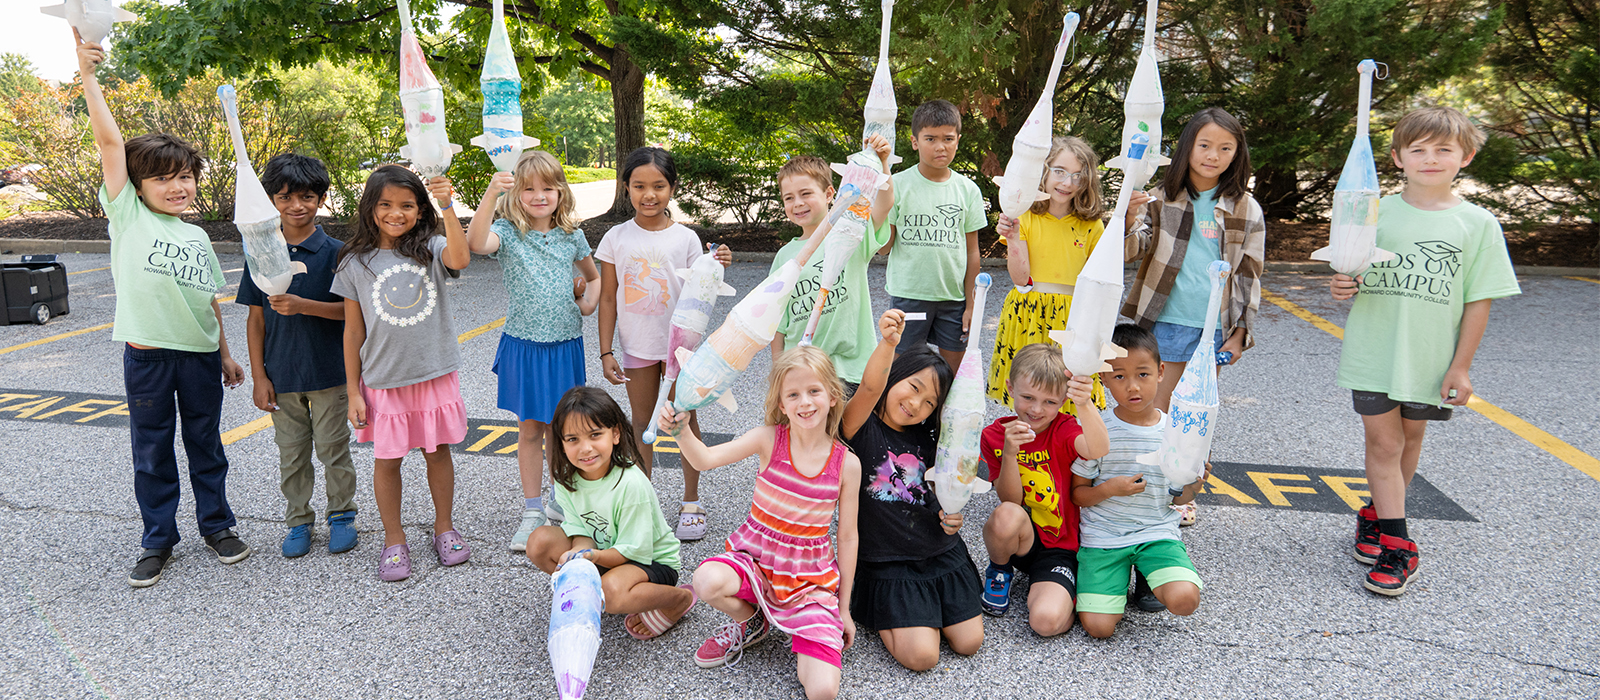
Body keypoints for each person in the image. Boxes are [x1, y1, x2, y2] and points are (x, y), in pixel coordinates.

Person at [76, 31, 251, 587]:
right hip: (148, 357)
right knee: (152, 453)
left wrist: (224, 354)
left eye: (185, 176)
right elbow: (109, 145)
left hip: (199, 357)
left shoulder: (197, 237)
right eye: (163, 178)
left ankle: (217, 525)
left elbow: (209, 302)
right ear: (137, 186)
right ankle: (158, 539)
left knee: (207, 445)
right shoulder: (127, 215)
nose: (177, 186)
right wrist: (88, 76)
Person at [1330, 106, 1519, 597]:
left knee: (1410, 442)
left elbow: (1479, 300)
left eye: (1443, 150)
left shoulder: (1477, 224)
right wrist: (1343, 284)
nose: (1430, 159)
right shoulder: (1375, 212)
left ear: (1466, 156)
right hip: (1374, 349)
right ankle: (1399, 544)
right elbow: (1351, 267)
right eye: (1418, 150)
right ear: (1397, 158)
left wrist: (1461, 366)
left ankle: (1375, 513)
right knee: (1385, 445)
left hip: (1430, 357)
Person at [661, 347, 860, 700]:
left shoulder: (847, 465)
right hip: (756, 562)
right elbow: (705, 459)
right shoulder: (768, 439)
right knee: (707, 580)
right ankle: (754, 620)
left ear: (832, 395)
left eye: (814, 391)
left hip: (809, 583)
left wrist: (844, 609)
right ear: (781, 404)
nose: (805, 402)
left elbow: (847, 537)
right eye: (793, 394)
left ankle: (800, 625)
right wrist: (681, 431)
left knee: (823, 690)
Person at [1124, 107, 1266, 528]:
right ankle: (1149, 484)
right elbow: (1132, 251)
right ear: (1187, 148)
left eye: (1225, 147)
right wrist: (1128, 218)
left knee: (1196, 413)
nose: (1212, 155)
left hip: (1211, 329)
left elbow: (1249, 275)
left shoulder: (1245, 208)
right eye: (1204, 145)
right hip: (1160, 321)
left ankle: (1185, 491)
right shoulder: (1160, 198)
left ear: (1236, 154)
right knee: (1157, 408)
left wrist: (1240, 333)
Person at [333, 165, 472, 582]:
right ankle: (394, 539)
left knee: (438, 452)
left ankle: (443, 528)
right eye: (386, 205)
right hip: (383, 380)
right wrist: (353, 391)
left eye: (407, 205)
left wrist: (447, 204)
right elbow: (352, 330)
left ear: (420, 208)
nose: (397, 213)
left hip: (433, 373)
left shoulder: (430, 247)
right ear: (370, 208)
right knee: (387, 461)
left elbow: (462, 257)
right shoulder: (355, 262)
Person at [466, 150, 601, 551]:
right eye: (529, 188)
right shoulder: (507, 234)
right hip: (524, 345)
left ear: (562, 191)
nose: (539, 195)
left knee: (565, 430)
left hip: (564, 346)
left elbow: (593, 279)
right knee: (529, 430)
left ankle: (564, 503)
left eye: (548, 187)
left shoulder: (572, 236)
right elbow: (475, 242)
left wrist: (588, 304)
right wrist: (491, 191)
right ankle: (531, 510)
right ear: (516, 194)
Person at [595, 146, 733, 541]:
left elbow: (703, 284)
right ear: (626, 188)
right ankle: (645, 506)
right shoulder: (615, 237)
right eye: (639, 185)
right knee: (642, 423)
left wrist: (718, 260)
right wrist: (606, 350)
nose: (648, 194)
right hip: (637, 345)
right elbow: (608, 297)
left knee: (682, 420)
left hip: (681, 350)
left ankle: (692, 501)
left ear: (673, 187)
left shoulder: (687, 238)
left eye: (658, 185)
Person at [840, 310, 982, 670]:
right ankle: (886, 612)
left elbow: (940, 487)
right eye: (913, 388)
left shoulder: (930, 437)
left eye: (929, 402)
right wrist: (889, 343)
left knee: (969, 643)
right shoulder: (861, 427)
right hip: (889, 562)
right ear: (895, 377)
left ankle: (923, 613)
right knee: (923, 657)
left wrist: (951, 514)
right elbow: (871, 387)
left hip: (938, 550)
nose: (916, 404)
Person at [237, 153, 358, 559]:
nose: (296, 206)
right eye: (285, 197)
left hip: (330, 371)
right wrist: (259, 376)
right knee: (292, 455)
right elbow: (255, 320)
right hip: (282, 375)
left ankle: (341, 515)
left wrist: (306, 305)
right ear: (273, 200)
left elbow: (354, 313)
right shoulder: (260, 251)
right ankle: (298, 521)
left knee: (333, 448)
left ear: (322, 199)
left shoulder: (340, 252)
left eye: (307, 196)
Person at [988, 135, 1150, 412]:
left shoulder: (1092, 225)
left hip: (1075, 316)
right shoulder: (1024, 216)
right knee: (1029, 392)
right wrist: (1013, 238)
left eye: (1077, 176)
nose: (1067, 183)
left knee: (1068, 392)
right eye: (1060, 172)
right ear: (1044, 170)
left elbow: (1105, 275)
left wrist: (1130, 217)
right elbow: (1020, 279)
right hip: (1028, 309)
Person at [525, 387, 696, 638]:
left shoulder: (631, 483)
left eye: (595, 435)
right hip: (604, 554)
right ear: (560, 443)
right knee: (539, 542)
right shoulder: (565, 478)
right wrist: (578, 553)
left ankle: (678, 599)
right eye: (572, 439)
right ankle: (595, 590)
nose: (585, 448)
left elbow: (633, 550)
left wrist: (591, 557)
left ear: (615, 434)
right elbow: (580, 529)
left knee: (612, 593)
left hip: (650, 562)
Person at [1071, 324, 1207, 638]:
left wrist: (1196, 482)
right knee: (1098, 628)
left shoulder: (1176, 430)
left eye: (1142, 374)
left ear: (1161, 372)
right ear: (1103, 378)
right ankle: (1124, 574)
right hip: (1104, 537)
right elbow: (1078, 494)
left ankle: (1147, 572)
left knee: (1186, 600)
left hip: (1156, 533)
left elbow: (1179, 498)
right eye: (1119, 376)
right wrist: (1109, 489)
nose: (1133, 387)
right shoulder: (1097, 430)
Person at [979, 344, 1109, 636]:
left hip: (1061, 547)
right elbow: (1010, 499)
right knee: (1006, 515)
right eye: (1027, 397)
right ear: (1010, 388)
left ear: (1063, 400)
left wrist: (1085, 404)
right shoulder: (995, 435)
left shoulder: (1063, 428)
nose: (1036, 410)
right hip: (1021, 540)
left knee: (1045, 623)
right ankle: (999, 571)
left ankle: (1066, 592)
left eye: (1050, 402)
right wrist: (1010, 453)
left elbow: (1098, 449)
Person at [767, 136, 896, 394]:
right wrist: (778, 370)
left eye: (806, 194)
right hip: (802, 370)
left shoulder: (853, 234)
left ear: (829, 194)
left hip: (851, 369)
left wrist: (883, 165)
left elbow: (884, 204)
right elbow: (778, 322)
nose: (798, 203)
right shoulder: (784, 255)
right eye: (789, 198)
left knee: (847, 434)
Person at [882, 99, 987, 368]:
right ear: (915, 141)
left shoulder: (968, 190)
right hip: (909, 295)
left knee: (953, 373)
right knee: (903, 370)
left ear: (958, 140)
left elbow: (972, 251)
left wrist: (971, 305)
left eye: (947, 139)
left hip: (953, 300)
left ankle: (944, 413)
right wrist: (878, 205)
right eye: (930, 138)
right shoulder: (897, 185)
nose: (940, 146)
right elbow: (884, 247)